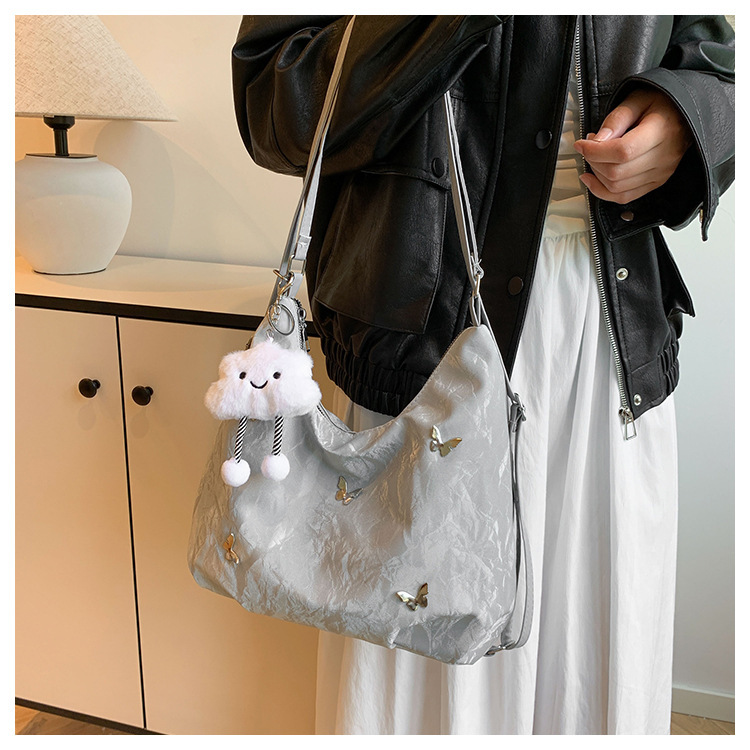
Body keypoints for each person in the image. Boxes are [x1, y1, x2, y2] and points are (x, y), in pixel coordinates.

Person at [231, 16, 735, 734]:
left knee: (589, 639)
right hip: (422, 337)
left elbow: (719, 68)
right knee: (420, 661)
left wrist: (685, 123)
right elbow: (273, 101)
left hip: (605, 336)